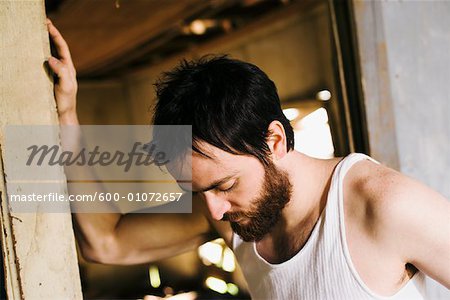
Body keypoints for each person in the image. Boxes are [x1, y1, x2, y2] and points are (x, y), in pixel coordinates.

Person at [47, 19, 450, 299]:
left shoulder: (383, 205)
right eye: (197, 191)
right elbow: (105, 243)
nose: (215, 210)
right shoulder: (226, 213)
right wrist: (67, 115)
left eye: (224, 185)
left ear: (274, 140)